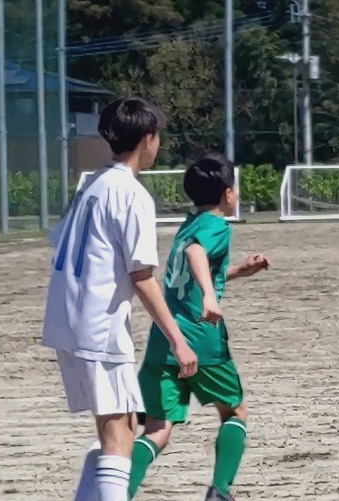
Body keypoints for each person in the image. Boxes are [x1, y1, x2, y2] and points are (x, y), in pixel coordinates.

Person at [41, 97, 198, 501]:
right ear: (147, 139)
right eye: (157, 135)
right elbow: (142, 277)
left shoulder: (90, 185)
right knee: (118, 434)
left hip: (67, 317)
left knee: (120, 427)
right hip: (98, 324)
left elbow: (61, 243)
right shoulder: (131, 194)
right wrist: (178, 340)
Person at [128, 153, 270, 501]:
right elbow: (196, 255)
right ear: (227, 194)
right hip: (201, 339)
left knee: (157, 429)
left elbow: (192, 266)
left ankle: (116, 493)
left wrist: (239, 271)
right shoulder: (216, 226)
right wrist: (209, 296)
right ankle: (219, 491)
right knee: (235, 411)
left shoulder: (188, 224)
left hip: (165, 338)